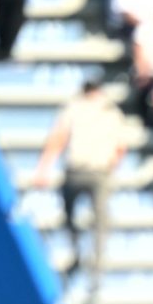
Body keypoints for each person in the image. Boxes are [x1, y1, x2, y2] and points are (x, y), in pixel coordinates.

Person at [37, 77, 128, 290]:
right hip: (87, 171)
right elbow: (120, 148)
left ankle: (93, 266)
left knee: (96, 221)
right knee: (82, 219)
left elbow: (58, 139)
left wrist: (44, 167)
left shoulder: (105, 111)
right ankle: (84, 260)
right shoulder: (85, 109)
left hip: (90, 171)